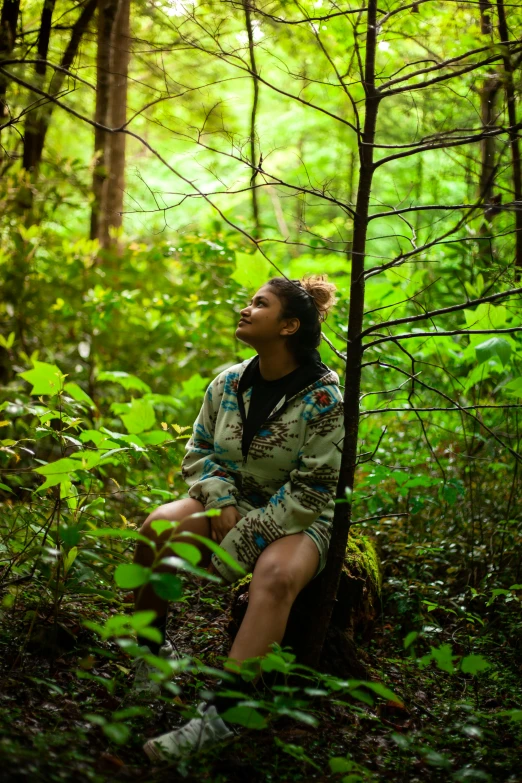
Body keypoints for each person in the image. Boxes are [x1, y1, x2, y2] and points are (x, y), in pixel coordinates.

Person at [133, 274, 345, 761]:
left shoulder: (324, 399)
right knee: (158, 526)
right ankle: (149, 655)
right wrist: (223, 500)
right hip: (231, 501)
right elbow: (199, 450)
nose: (246, 310)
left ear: (289, 326)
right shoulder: (229, 381)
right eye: (250, 302)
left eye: (260, 304)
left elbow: (313, 488)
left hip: (302, 517)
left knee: (273, 577)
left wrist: (239, 543)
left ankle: (224, 716)